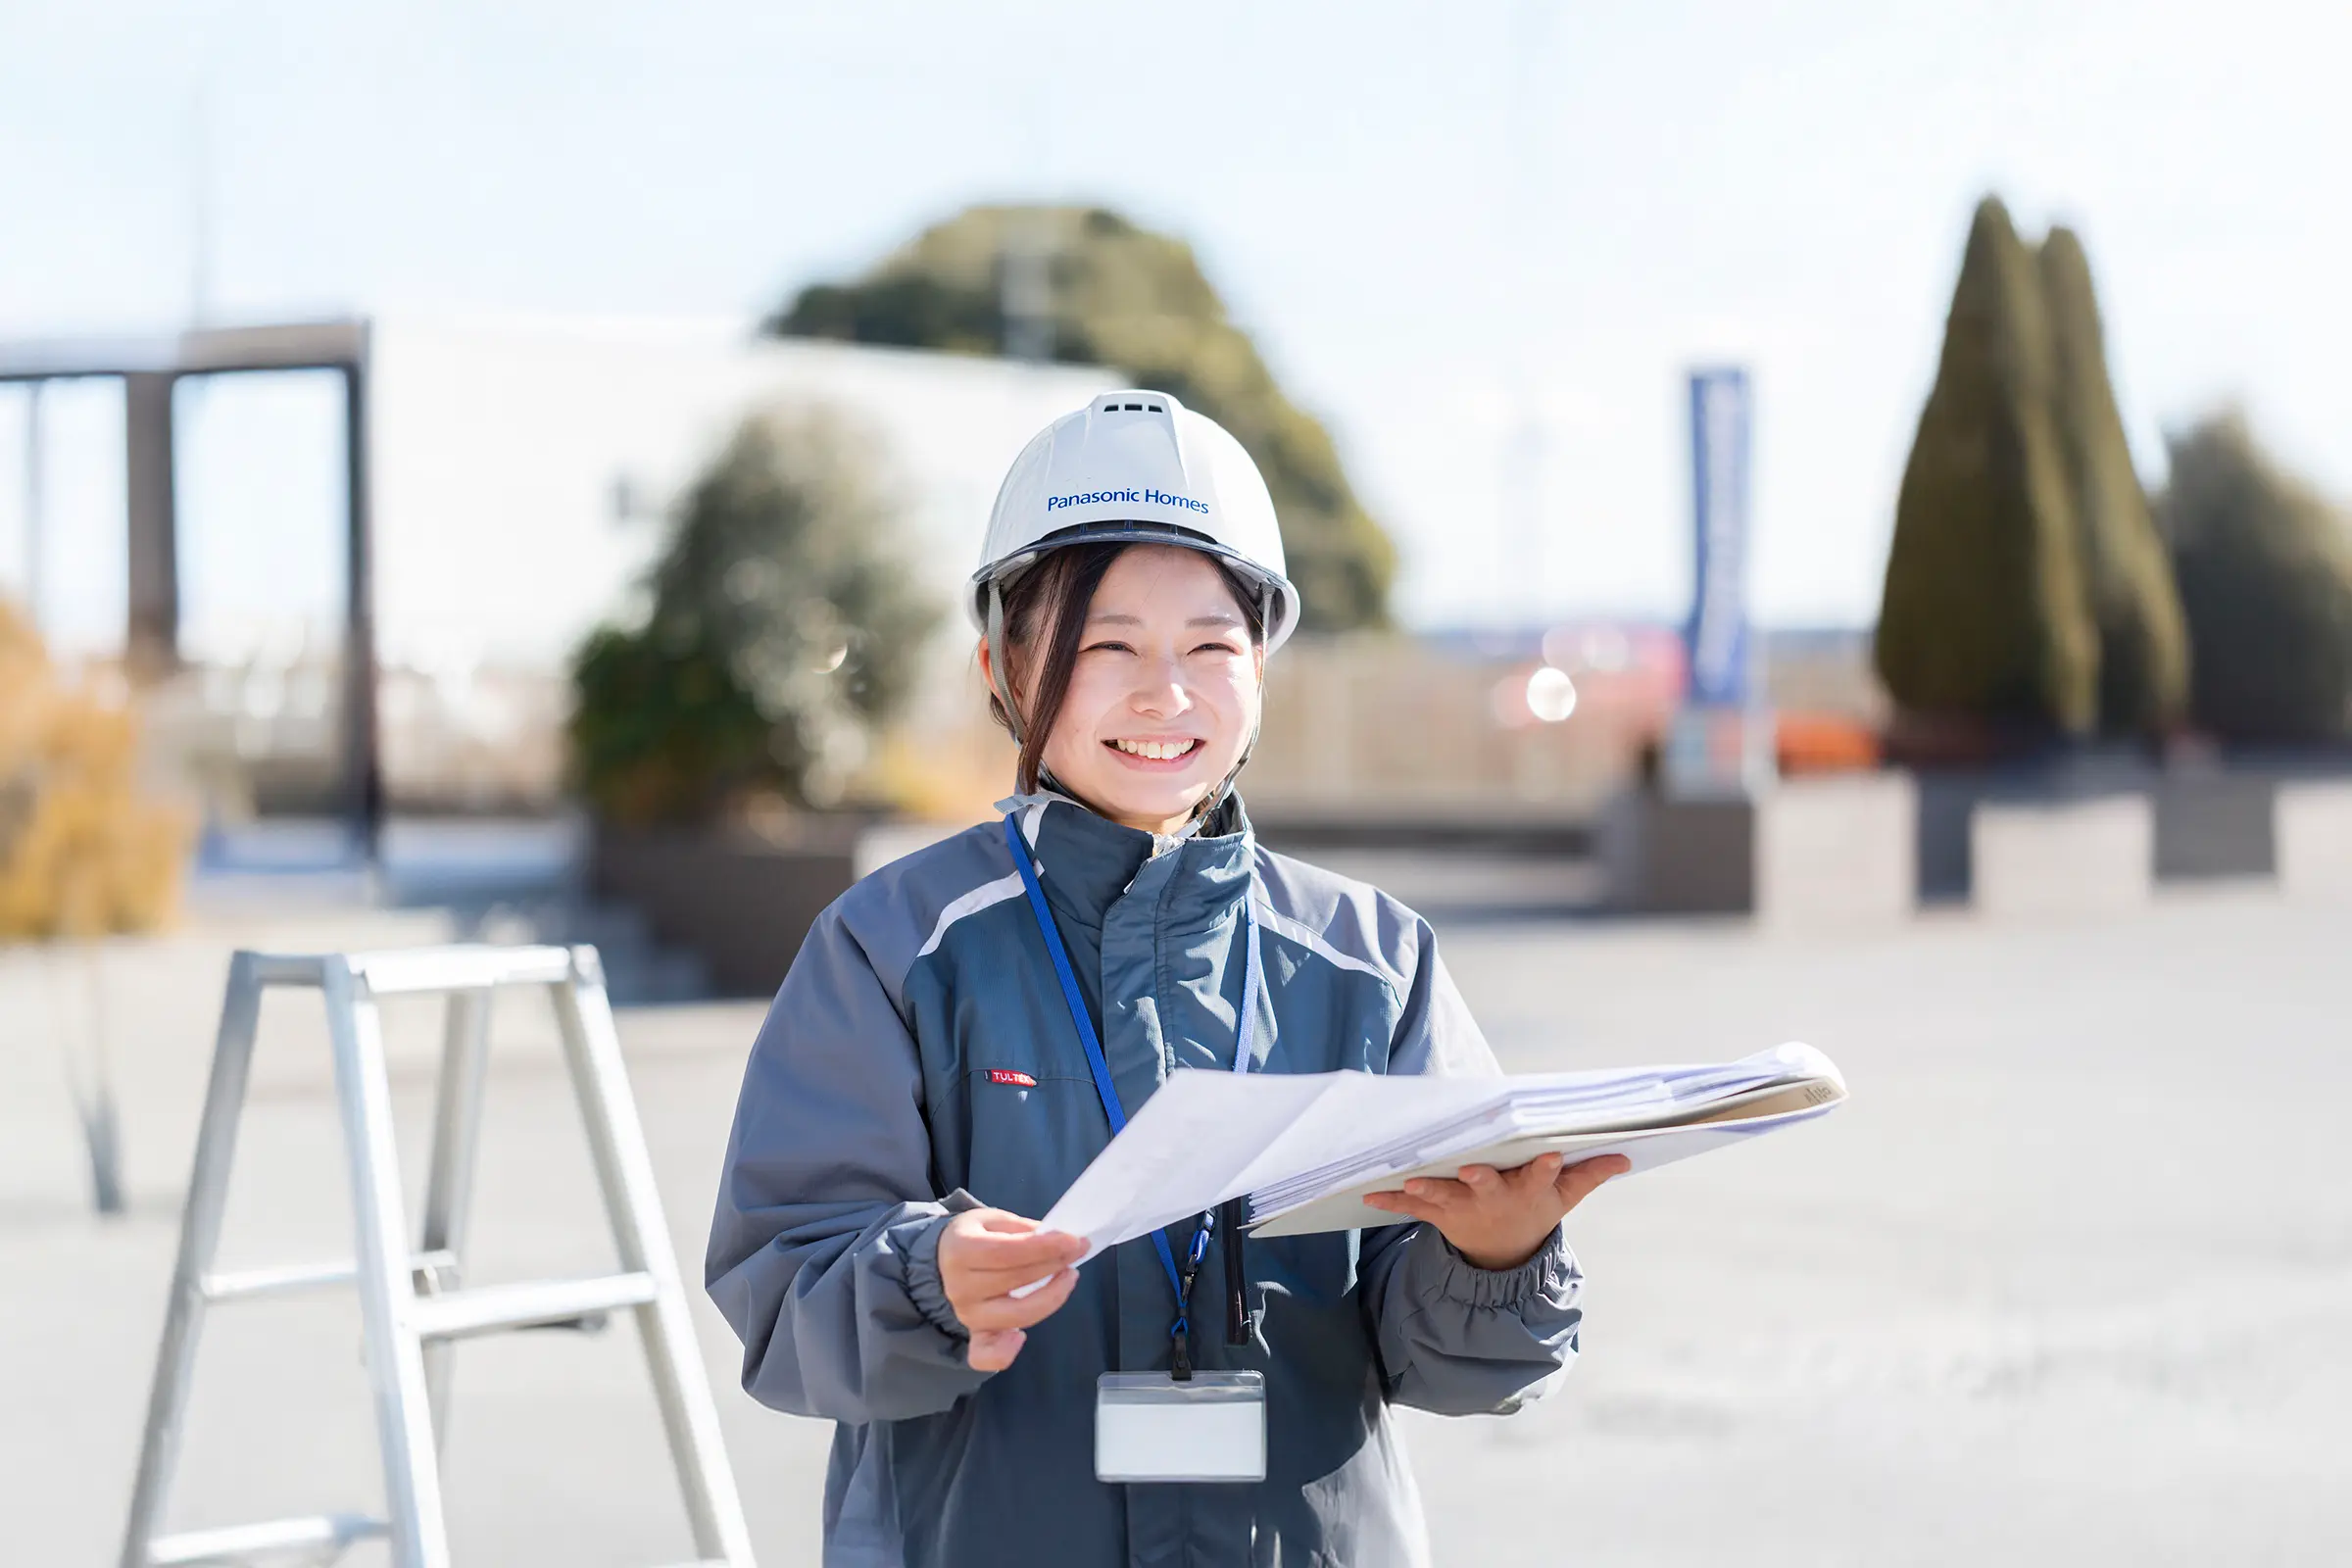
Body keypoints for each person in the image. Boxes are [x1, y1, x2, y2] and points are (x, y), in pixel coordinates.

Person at [706, 391, 1628, 1567]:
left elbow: (1452, 1366)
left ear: (1261, 667)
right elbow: (783, 1286)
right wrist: (925, 1281)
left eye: (1209, 644)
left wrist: (1495, 1258)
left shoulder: (1373, 959)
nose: (1166, 693)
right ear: (1002, 665)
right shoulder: (891, 947)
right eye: (1108, 645)